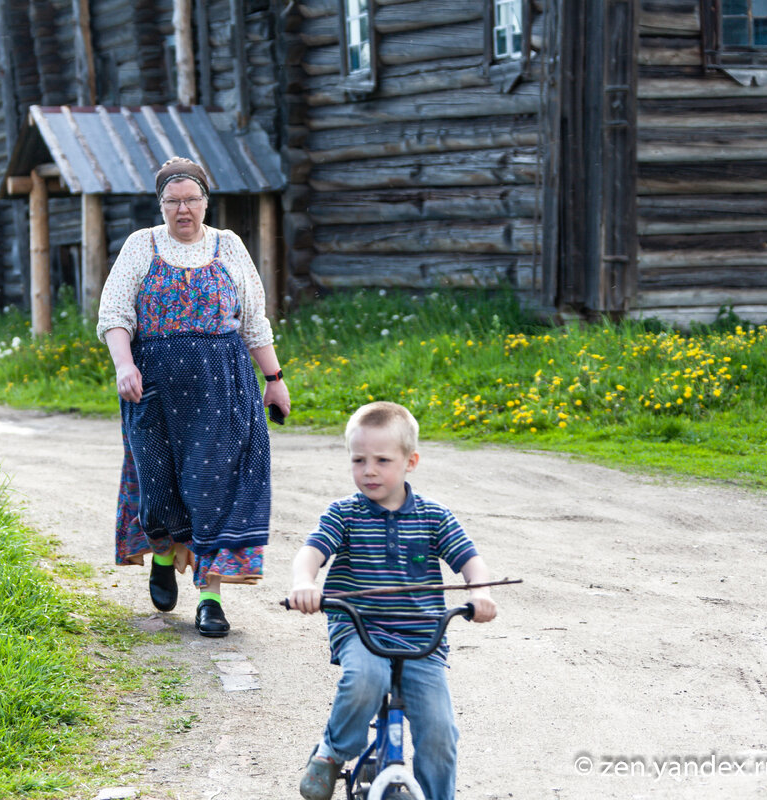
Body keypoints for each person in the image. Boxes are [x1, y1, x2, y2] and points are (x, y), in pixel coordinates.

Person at [97, 156, 291, 638]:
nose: (183, 210)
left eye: (192, 199)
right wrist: (125, 365)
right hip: (155, 387)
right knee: (159, 483)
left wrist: (275, 377)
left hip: (222, 387)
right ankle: (163, 554)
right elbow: (115, 312)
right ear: (160, 204)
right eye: (173, 201)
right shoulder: (141, 246)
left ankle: (209, 598)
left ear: (206, 201)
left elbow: (253, 321)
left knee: (213, 489)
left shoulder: (230, 246)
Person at [288, 401, 497, 800]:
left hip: (423, 640)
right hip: (360, 629)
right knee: (366, 678)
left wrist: (480, 593)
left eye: (382, 460)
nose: (369, 470)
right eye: (358, 460)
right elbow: (311, 552)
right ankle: (332, 754)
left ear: (410, 461)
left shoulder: (434, 517)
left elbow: (471, 561)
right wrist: (304, 582)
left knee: (439, 731)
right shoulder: (344, 514)